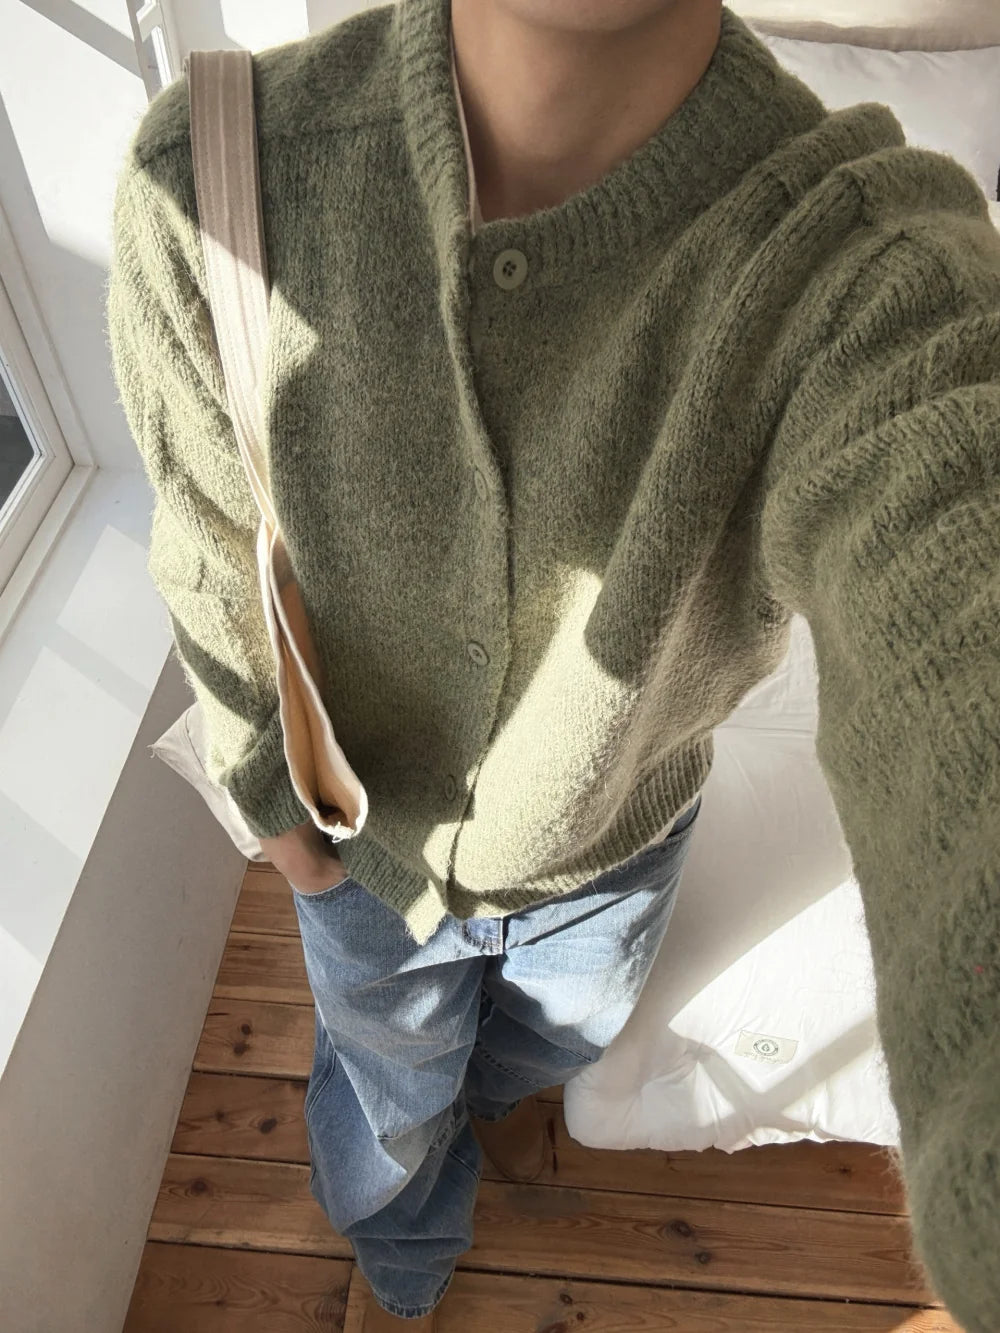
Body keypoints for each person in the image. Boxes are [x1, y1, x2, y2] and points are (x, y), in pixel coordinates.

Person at [105, 0, 1000, 1328]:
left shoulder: (858, 264)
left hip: (617, 859)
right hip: (363, 858)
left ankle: (493, 1107)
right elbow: (209, 545)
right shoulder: (212, 176)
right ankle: (400, 1262)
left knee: (549, 1043)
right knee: (386, 1100)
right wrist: (281, 823)